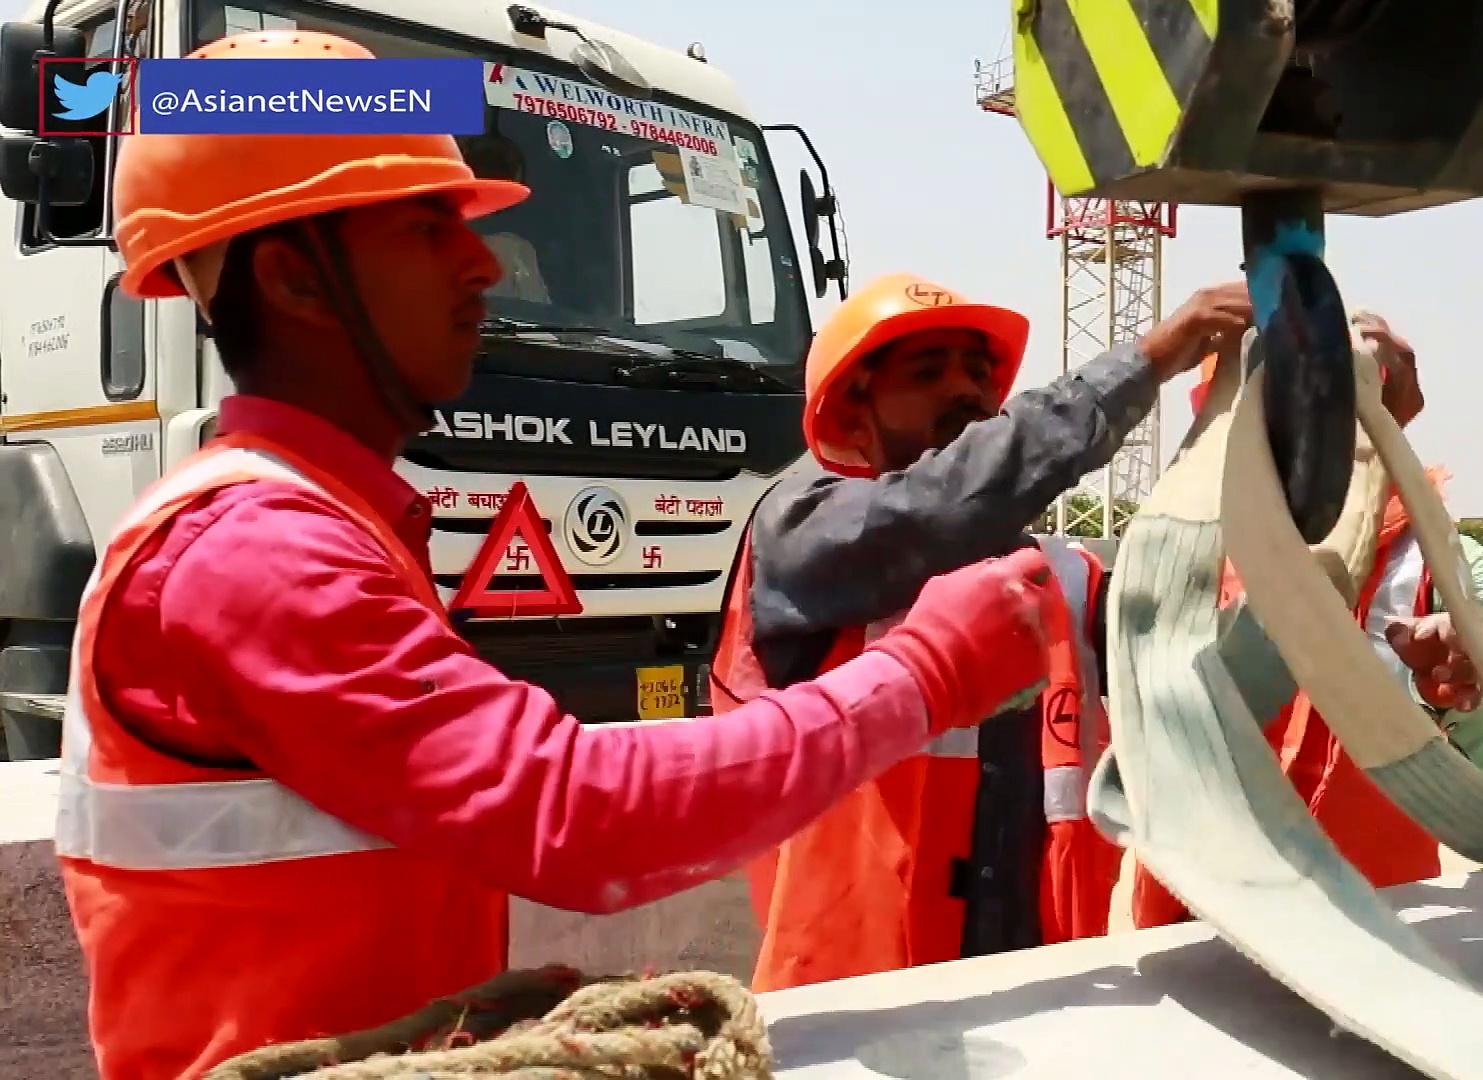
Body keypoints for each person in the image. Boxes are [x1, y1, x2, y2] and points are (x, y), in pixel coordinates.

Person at [58, 32, 1062, 1080]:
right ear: (294, 281)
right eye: (429, 225)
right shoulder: (254, 554)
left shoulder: (319, 526)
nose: (487, 261)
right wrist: (927, 672)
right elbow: (578, 815)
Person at [707, 270, 1258, 991]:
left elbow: (1205, 656)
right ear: (853, 415)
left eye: (977, 372)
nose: (965, 391)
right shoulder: (804, 538)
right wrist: (1150, 359)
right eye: (927, 372)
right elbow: (940, 508)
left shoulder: (1064, 576)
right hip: (861, 998)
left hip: (1043, 981)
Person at [1123, 310, 1483, 928]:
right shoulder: (1176, 563)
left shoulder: (1438, 569)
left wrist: (1468, 703)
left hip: (1371, 949)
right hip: (1189, 941)